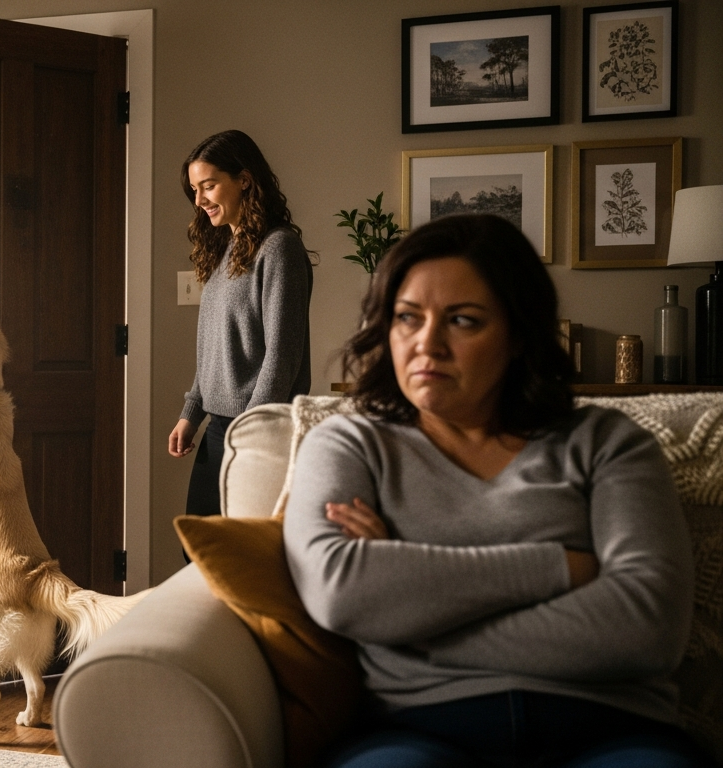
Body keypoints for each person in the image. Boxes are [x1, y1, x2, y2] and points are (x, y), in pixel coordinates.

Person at [283, 214, 705, 767]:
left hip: (612, 728)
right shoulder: (348, 444)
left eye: (462, 320)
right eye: (408, 318)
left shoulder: (607, 443)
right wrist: (559, 567)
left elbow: (648, 626)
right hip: (416, 730)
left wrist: (405, 621)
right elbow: (343, 591)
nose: (426, 344)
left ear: (518, 335)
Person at [169, 130, 313, 522]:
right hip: (219, 423)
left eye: (209, 186)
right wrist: (191, 412)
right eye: (195, 189)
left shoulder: (278, 248)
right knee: (199, 549)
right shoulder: (225, 251)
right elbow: (214, 347)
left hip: (253, 427)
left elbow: (282, 356)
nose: (199, 201)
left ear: (245, 180)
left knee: (239, 555)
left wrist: (252, 432)